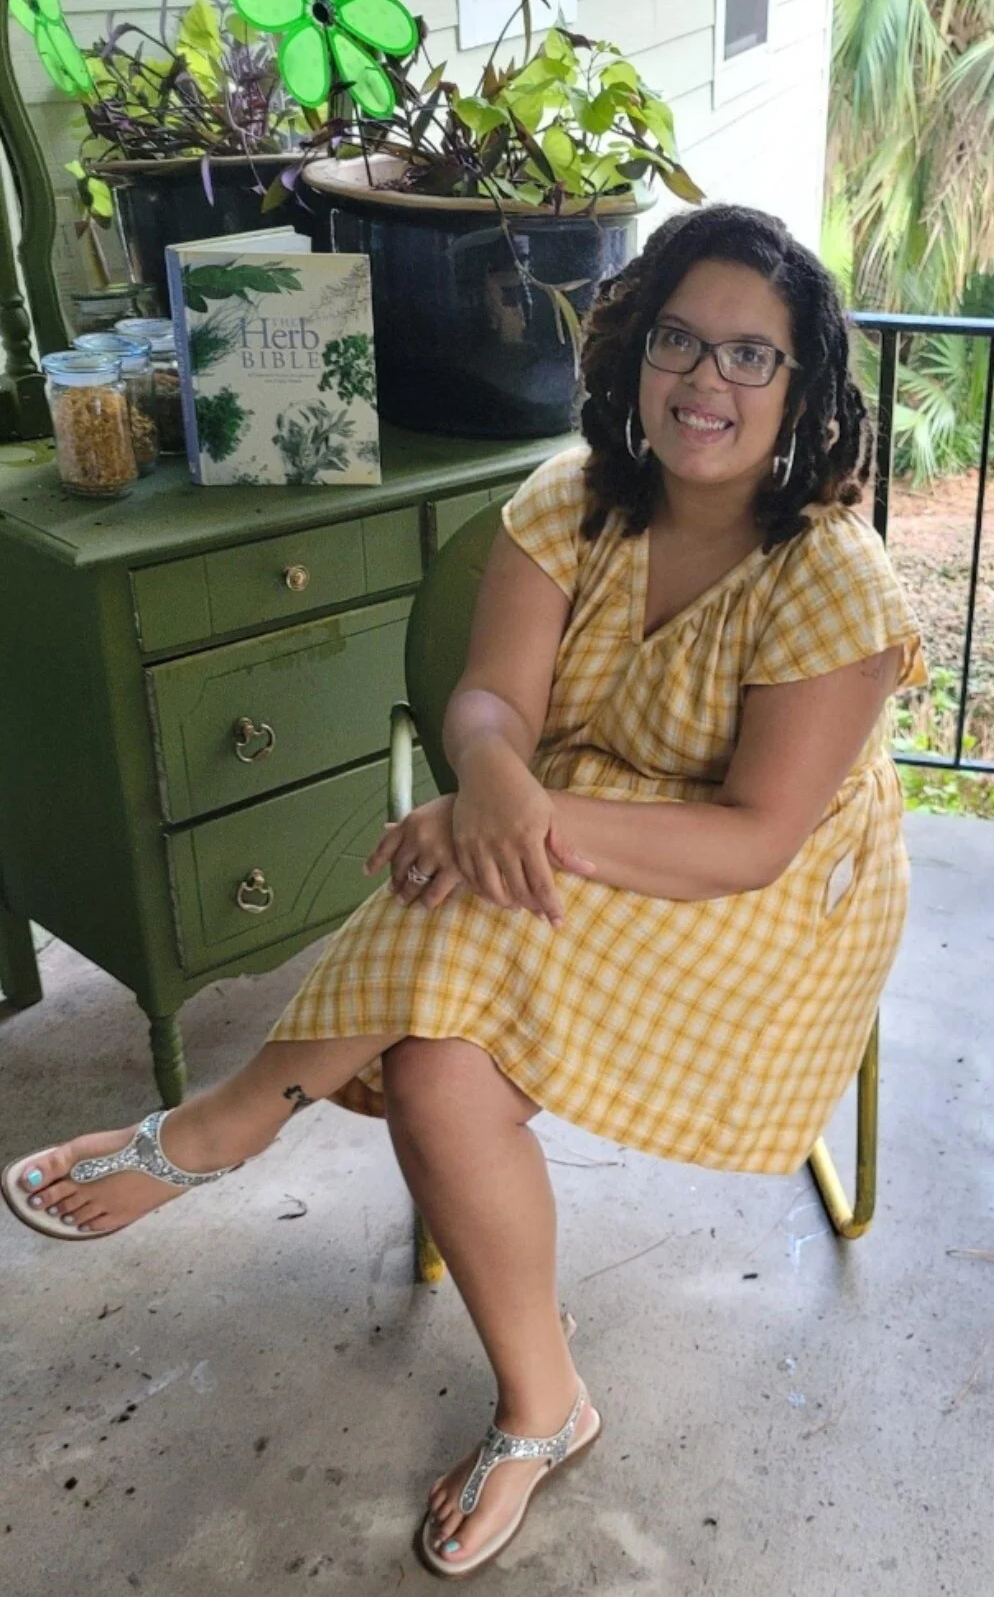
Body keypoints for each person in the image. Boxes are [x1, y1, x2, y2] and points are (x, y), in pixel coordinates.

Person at [2, 204, 926, 1579]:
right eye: (681, 337)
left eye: (751, 356)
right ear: (636, 346)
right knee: (435, 1071)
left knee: (462, 897)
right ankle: (545, 1405)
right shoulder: (574, 493)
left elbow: (752, 843)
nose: (706, 382)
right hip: (574, 839)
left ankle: (222, 1123)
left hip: (772, 912)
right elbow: (494, 694)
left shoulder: (830, 577)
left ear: (803, 387)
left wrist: (505, 819)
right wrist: (489, 771)